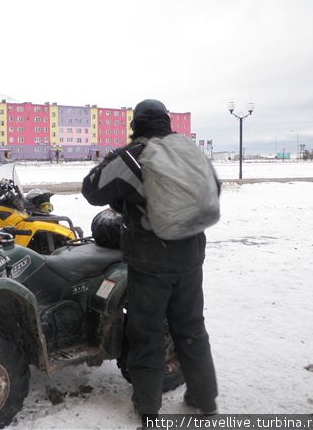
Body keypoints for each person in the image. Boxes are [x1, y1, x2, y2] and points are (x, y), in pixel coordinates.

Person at [82, 99, 218, 422]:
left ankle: (148, 409)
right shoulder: (189, 152)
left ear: (136, 125)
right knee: (192, 328)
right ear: (167, 122)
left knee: (147, 334)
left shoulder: (131, 157)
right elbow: (214, 188)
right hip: (190, 258)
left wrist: (126, 197)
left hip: (150, 263)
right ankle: (205, 399)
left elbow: (91, 189)